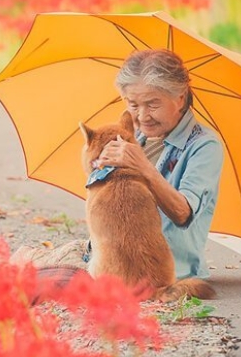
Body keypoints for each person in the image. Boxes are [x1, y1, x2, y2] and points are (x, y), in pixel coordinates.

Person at [92, 48, 224, 282]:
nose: (142, 116)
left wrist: (143, 168)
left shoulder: (204, 145)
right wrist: (101, 170)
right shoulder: (135, 136)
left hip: (164, 272)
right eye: (133, 105)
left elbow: (183, 213)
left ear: (180, 98)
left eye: (152, 105)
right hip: (119, 260)